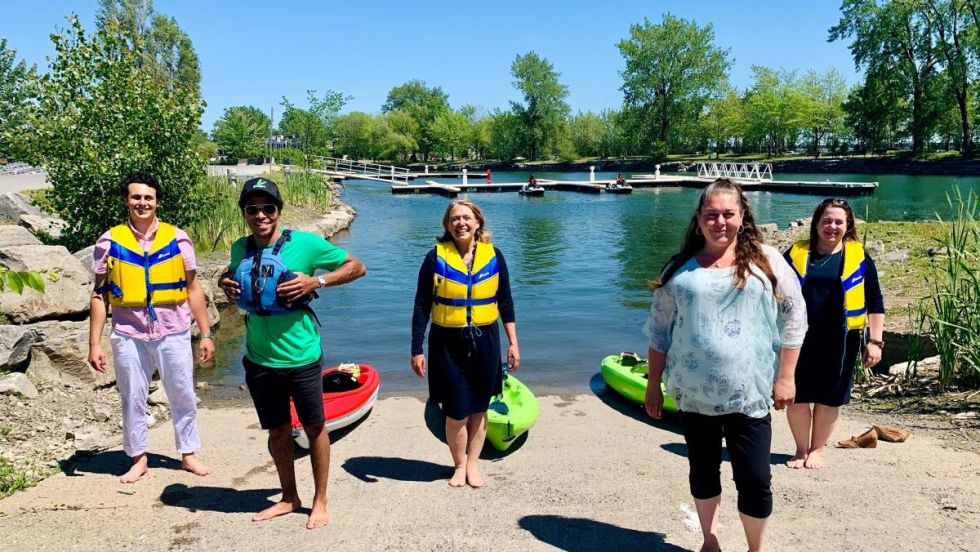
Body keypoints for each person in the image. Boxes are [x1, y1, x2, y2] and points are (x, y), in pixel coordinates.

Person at [643, 178, 807, 552]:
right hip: (693, 394)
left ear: (743, 215)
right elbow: (659, 331)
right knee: (703, 471)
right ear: (699, 219)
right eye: (711, 215)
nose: (720, 222)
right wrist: (653, 385)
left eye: (728, 214)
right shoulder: (679, 268)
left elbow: (794, 317)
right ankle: (710, 540)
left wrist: (786, 377)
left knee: (754, 477)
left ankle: (755, 548)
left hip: (749, 393)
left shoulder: (767, 261)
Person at [218, 177, 365, 529]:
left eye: (268, 208)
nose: (260, 215)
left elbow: (356, 267)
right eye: (252, 209)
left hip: (300, 357)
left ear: (279, 211)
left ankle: (320, 501)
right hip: (259, 359)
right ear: (244, 214)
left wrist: (318, 281)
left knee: (315, 428)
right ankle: (288, 497)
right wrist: (224, 280)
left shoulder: (307, 244)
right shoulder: (240, 247)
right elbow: (235, 274)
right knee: (278, 432)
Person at [88, 171, 214, 484]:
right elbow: (99, 294)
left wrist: (206, 333)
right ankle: (138, 458)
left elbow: (193, 288)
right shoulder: (109, 241)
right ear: (126, 201)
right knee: (132, 396)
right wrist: (94, 343)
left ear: (156, 202)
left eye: (148, 197)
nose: (142, 203)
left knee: (182, 392)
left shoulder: (178, 237)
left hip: (173, 330)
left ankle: (188, 455)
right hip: (129, 333)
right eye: (136, 197)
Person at [411, 199, 520, 488]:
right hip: (446, 342)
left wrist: (513, 342)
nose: (461, 223)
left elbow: (505, 302)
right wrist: (416, 349)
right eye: (455, 218)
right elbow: (422, 305)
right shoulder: (434, 258)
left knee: (479, 407)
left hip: (485, 340)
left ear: (478, 223)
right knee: (455, 409)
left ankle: (473, 463)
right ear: (447, 225)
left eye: (466, 218)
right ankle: (459, 464)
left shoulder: (494, 255)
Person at [783, 198, 885, 468]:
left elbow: (875, 302)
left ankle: (817, 450)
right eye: (826, 221)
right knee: (796, 396)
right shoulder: (795, 252)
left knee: (829, 398)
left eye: (839, 222)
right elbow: (771, 289)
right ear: (816, 223)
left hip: (841, 340)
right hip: (798, 338)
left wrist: (875, 341)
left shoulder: (859, 257)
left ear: (848, 225)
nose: (832, 226)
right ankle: (800, 449)